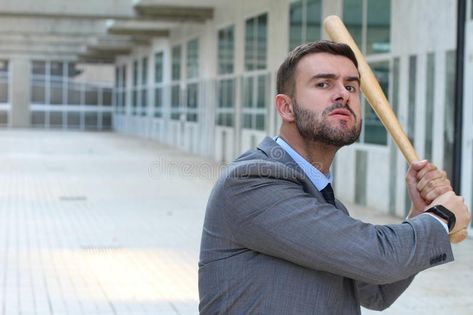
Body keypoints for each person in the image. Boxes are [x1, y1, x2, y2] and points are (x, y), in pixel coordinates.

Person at [198, 41, 471, 314]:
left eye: (351, 86)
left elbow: (375, 289)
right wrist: (441, 218)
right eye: (323, 84)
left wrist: (420, 213)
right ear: (286, 108)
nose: (343, 94)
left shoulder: (321, 200)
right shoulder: (252, 181)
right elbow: (377, 257)